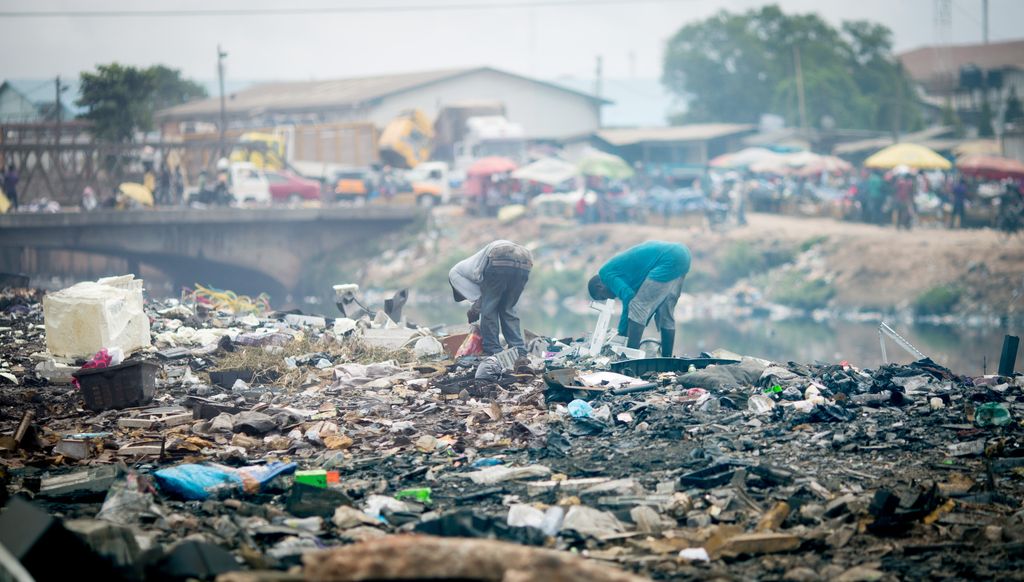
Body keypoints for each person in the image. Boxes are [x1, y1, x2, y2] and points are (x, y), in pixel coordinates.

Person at [587, 240, 691, 356]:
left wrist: (622, 333)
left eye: (603, 297)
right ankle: (668, 359)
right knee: (665, 313)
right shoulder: (627, 276)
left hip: (668, 259)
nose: (609, 298)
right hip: (683, 254)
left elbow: (628, 298)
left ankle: (629, 358)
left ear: (599, 286)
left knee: (638, 306)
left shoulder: (605, 274)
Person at [449, 240, 533, 356]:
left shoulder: (454, 275)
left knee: (489, 309)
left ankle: (493, 350)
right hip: (525, 259)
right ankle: (519, 351)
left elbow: (483, 302)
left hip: (500, 255)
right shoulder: (469, 268)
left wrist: (473, 311)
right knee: (508, 309)